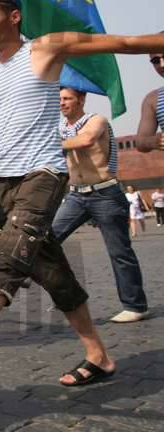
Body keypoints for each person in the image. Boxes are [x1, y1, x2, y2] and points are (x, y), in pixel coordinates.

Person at [0, 0, 164, 387]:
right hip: (2, 182)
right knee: (52, 271)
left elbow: (120, 42)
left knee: (6, 259)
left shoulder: (44, 50)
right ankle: (98, 356)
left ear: (14, 17)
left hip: (42, 175)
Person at [51, 87, 149, 323]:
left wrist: (49, 143)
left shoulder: (96, 120)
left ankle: (135, 306)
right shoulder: (60, 128)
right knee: (47, 240)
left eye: (67, 98)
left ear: (81, 99)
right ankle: (66, 295)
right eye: (60, 99)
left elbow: (86, 140)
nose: (62, 103)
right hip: (75, 196)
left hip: (104, 193)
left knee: (119, 252)